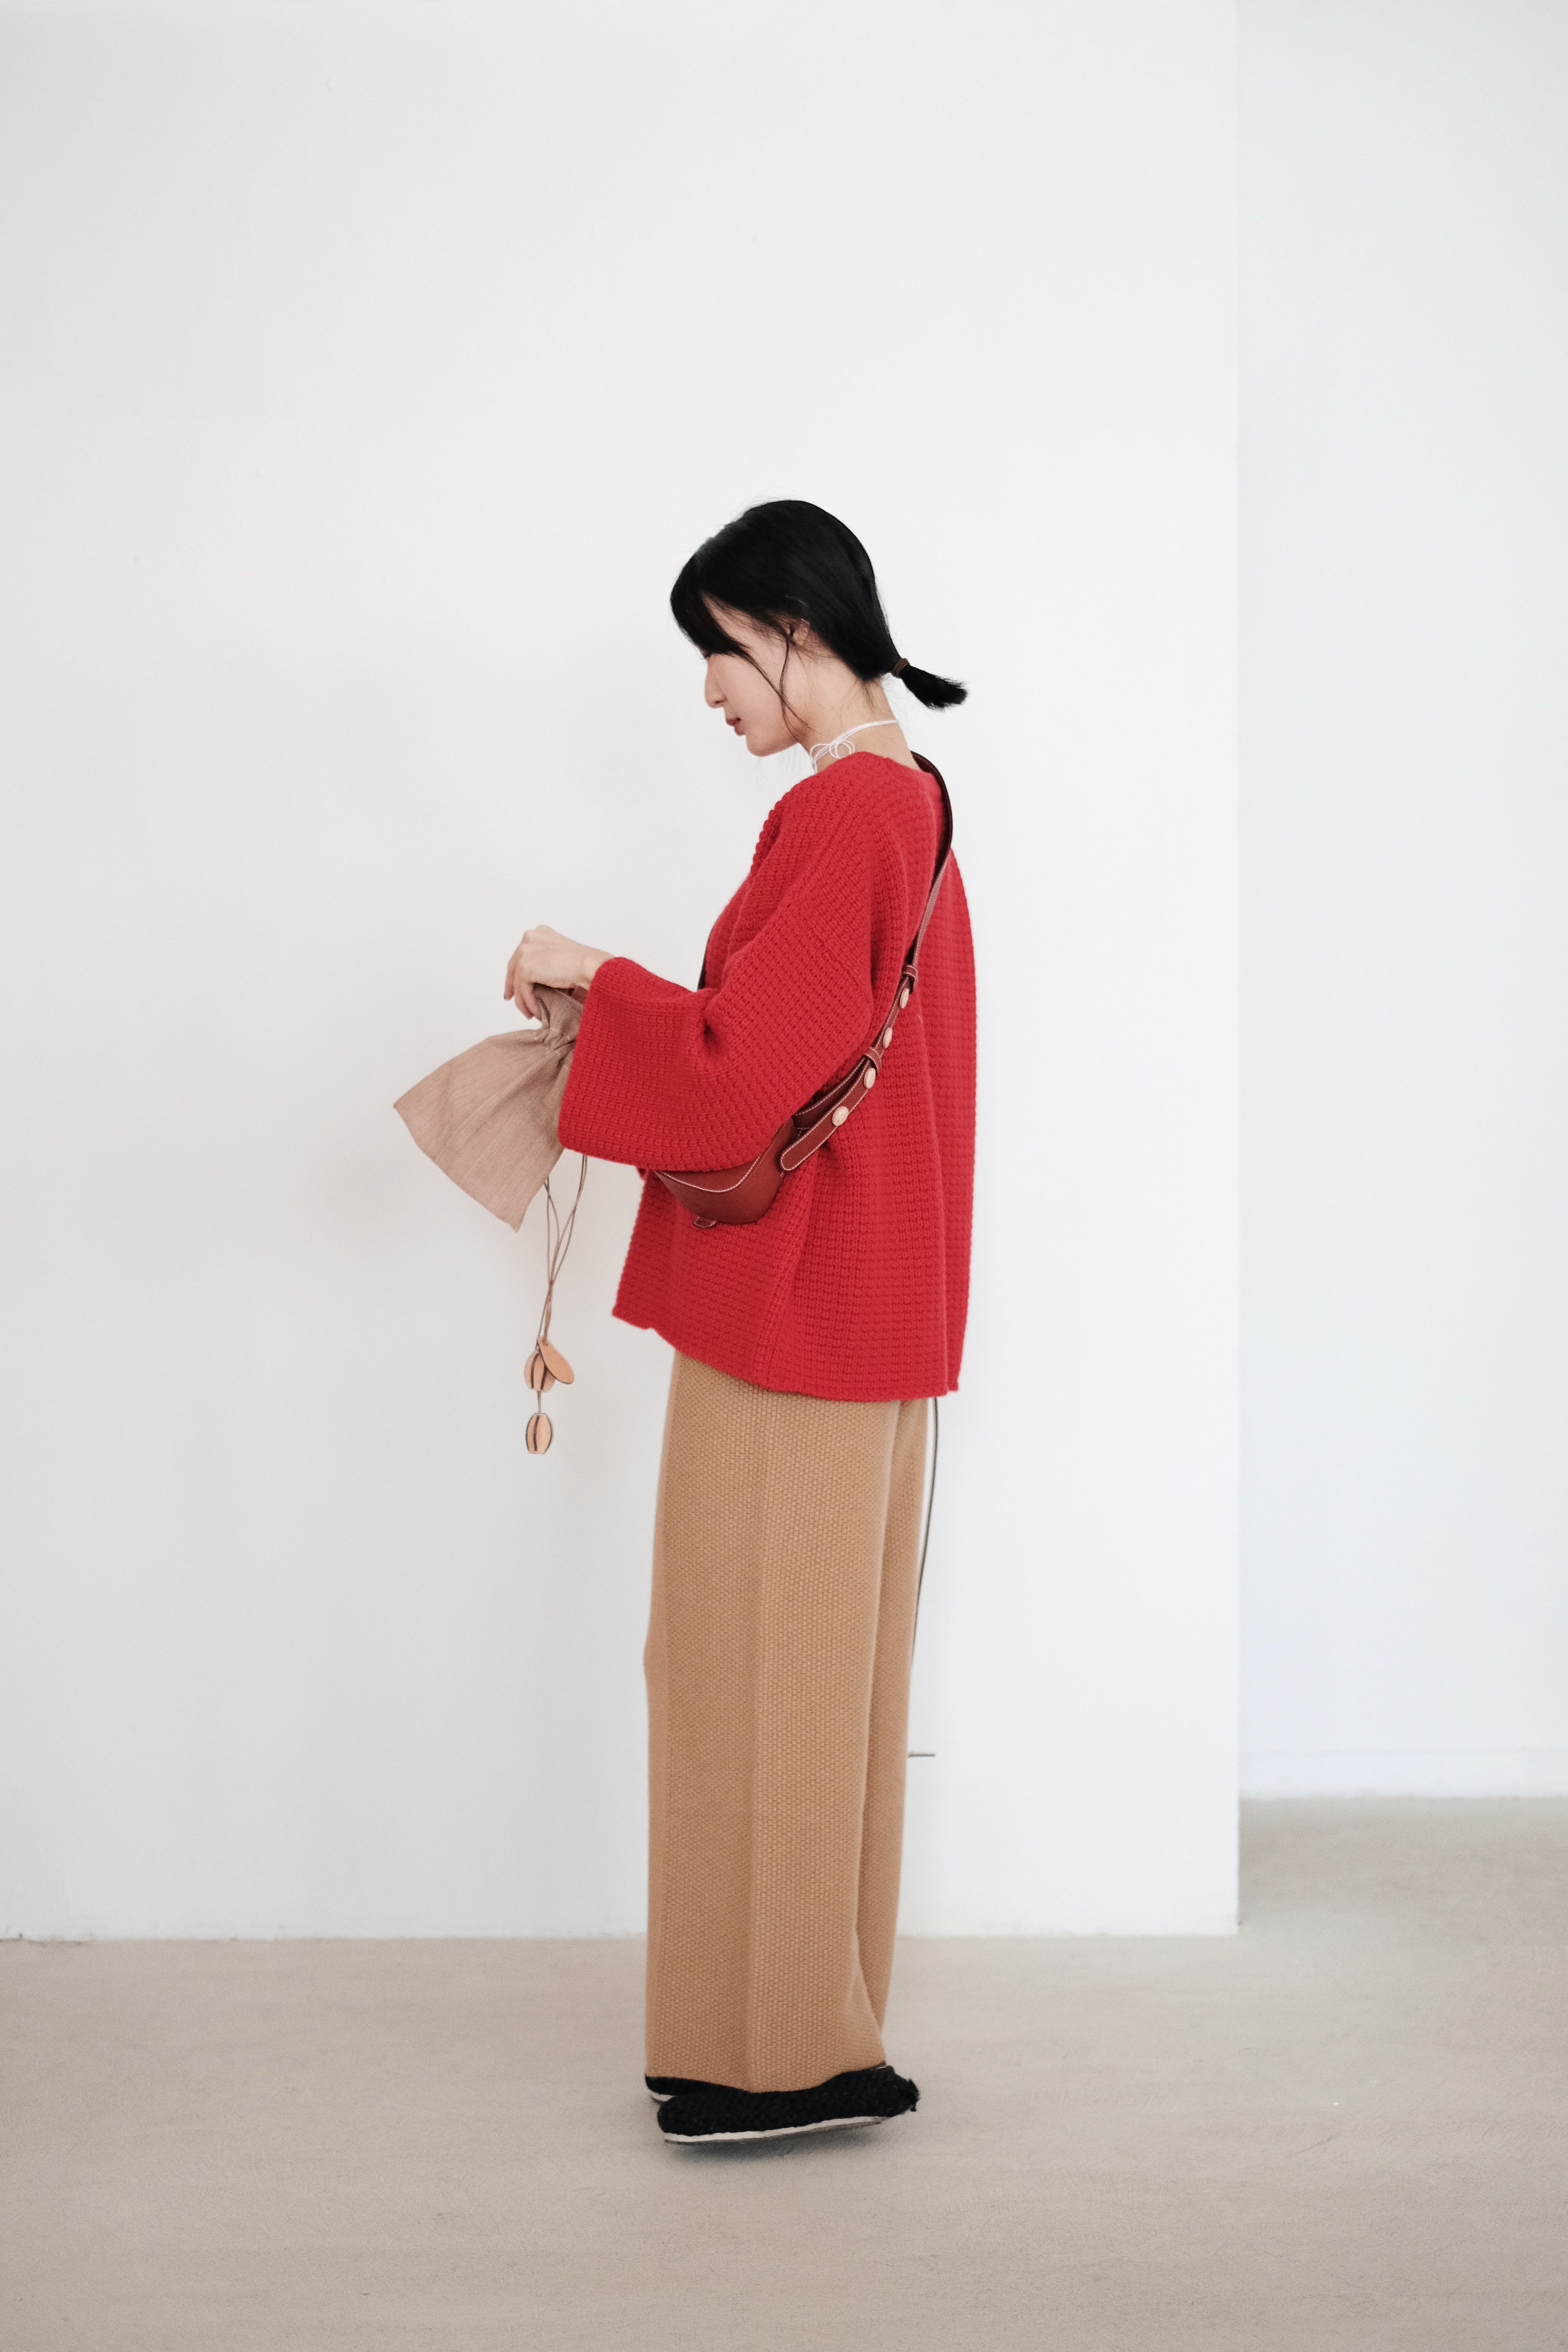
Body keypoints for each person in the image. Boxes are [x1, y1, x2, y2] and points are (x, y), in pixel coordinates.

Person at [503, 499, 977, 2145]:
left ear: (795, 627)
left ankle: (770, 2055)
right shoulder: (910, 798)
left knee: (744, 1661)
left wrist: (593, 971)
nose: (709, 687)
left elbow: (737, 1075)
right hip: (870, 1309)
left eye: (720, 647)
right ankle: (800, 2029)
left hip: (797, 1316)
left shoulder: (846, 811)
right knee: (821, 1672)